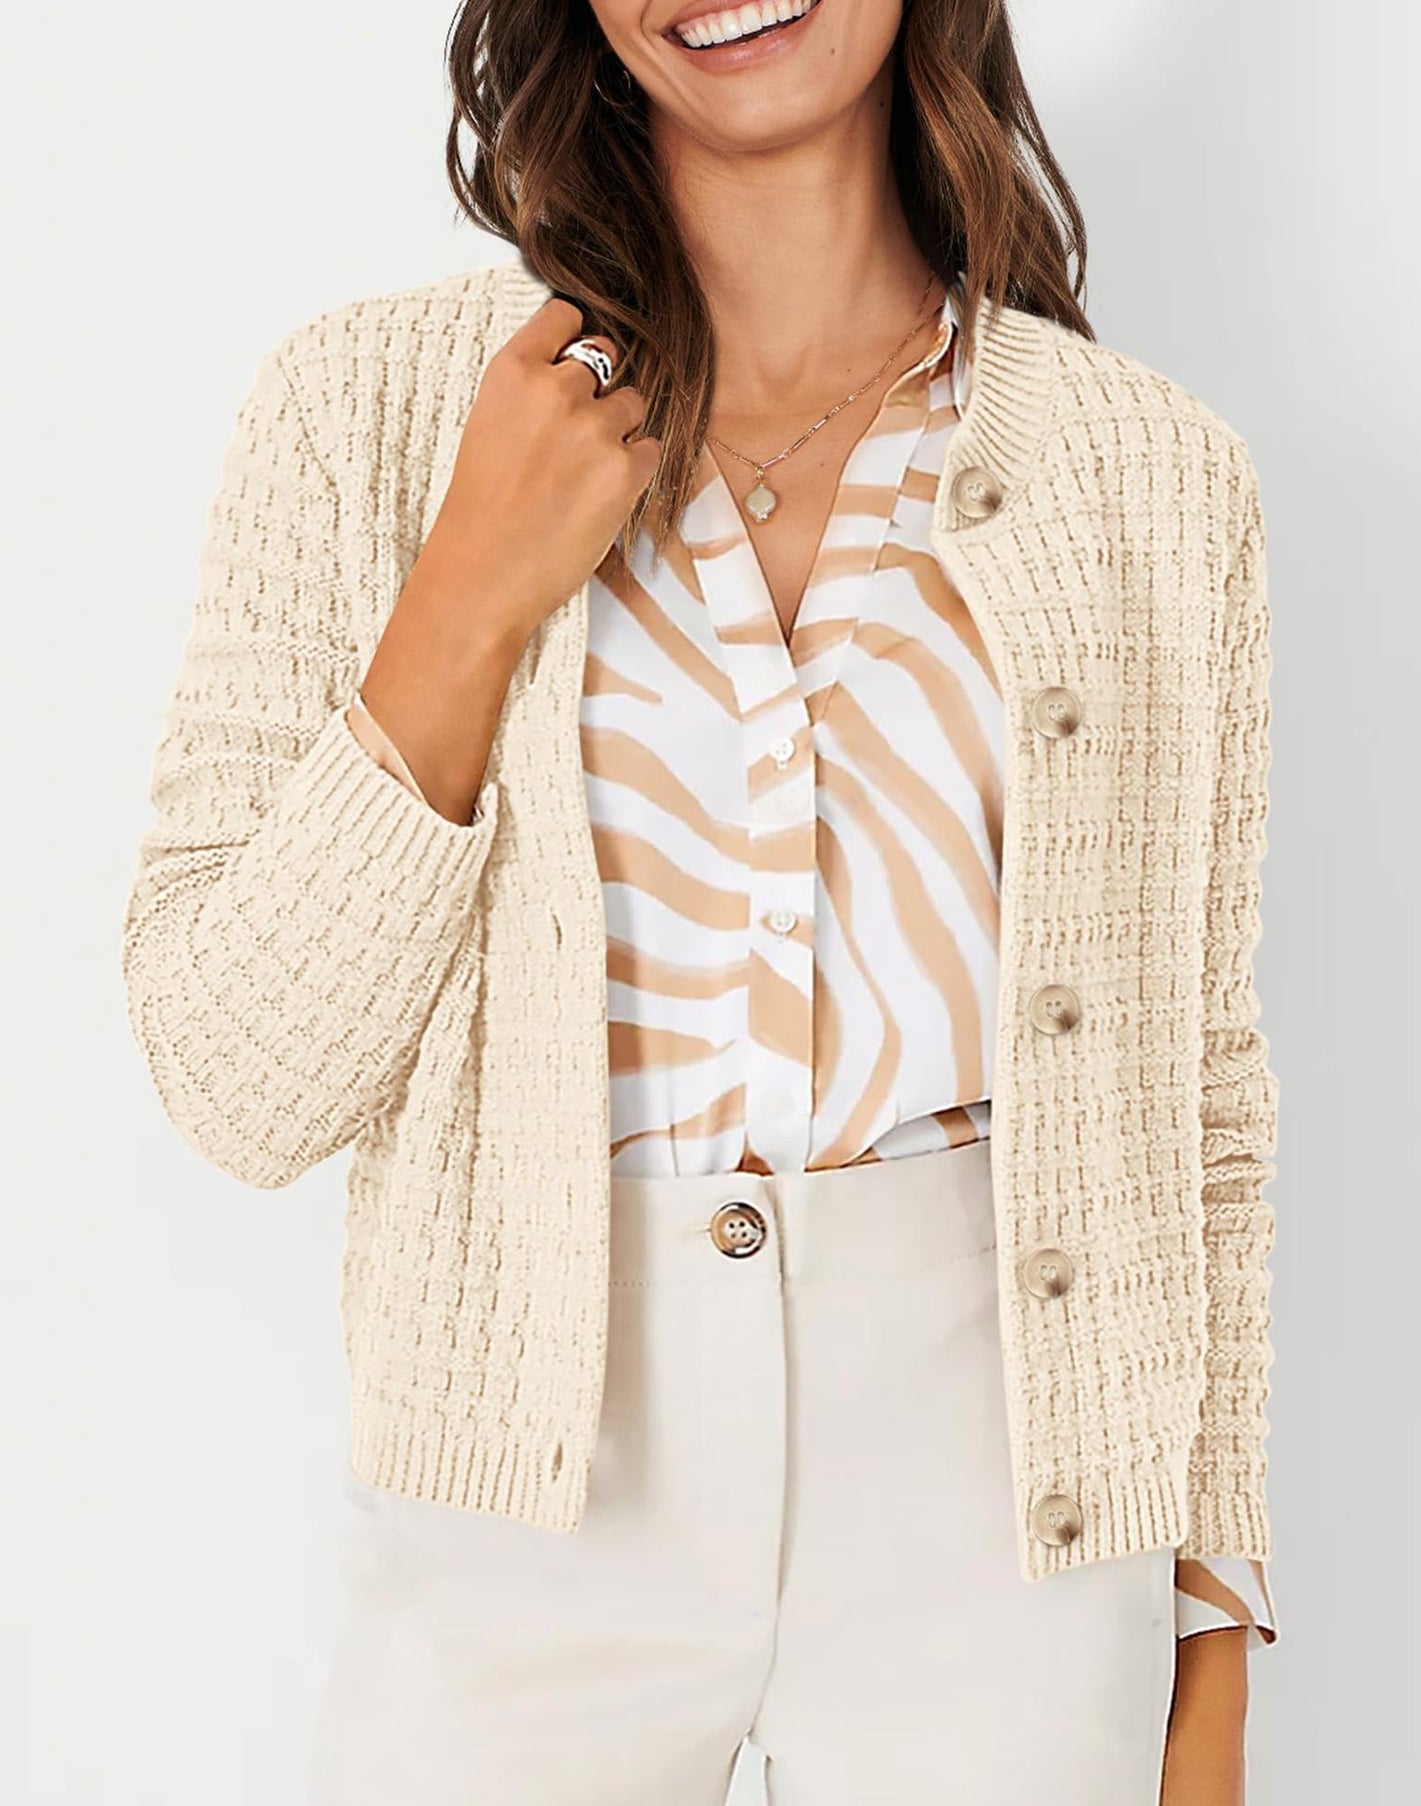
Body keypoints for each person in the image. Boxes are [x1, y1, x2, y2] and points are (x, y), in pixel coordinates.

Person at [119, 2, 1279, 1801]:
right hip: (521, 1503)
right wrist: (466, 590)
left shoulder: (1150, 474)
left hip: (1009, 1511)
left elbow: (1198, 1098)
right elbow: (238, 1079)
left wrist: (1207, 1635)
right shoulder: (366, 413)